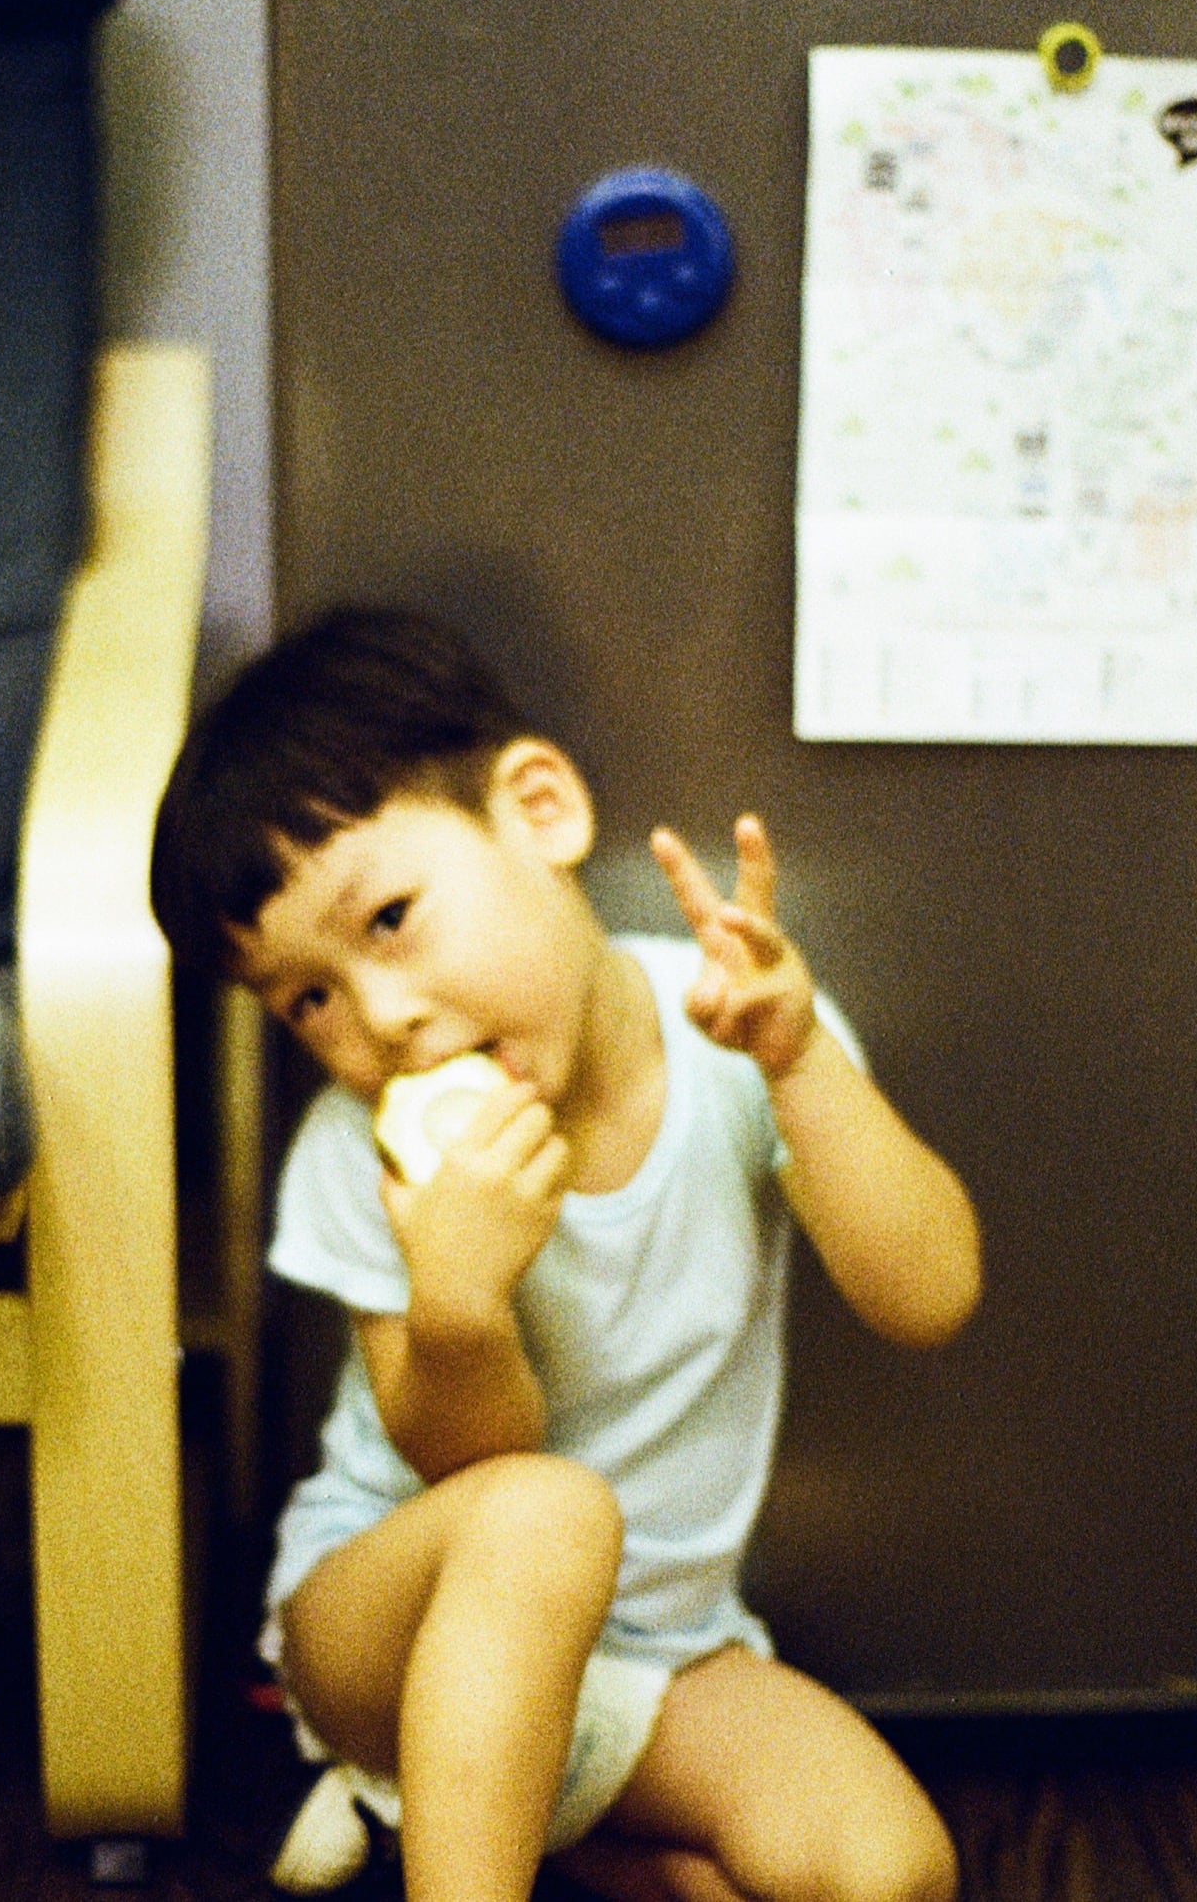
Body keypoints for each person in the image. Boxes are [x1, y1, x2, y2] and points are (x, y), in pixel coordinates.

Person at [149, 607, 982, 1902]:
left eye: (389, 919)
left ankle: (488, 1820)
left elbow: (931, 1296)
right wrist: (460, 1296)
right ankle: (432, 1818)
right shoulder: (363, 1153)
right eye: (308, 998)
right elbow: (471, 1467)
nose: (384, 1017)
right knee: (548, 1512)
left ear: (538, 812)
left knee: (891, 1872)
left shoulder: (737, 1043)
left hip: (655, 1650)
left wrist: (803, 1063)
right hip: (388, 1629)